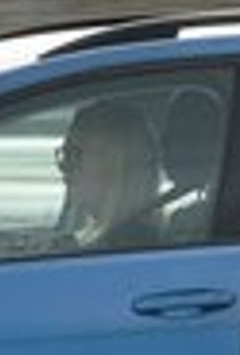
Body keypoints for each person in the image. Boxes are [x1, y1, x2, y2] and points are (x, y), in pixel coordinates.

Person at [55, 98, 164, 250]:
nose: (63, 165)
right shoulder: (101, 240)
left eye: (75, 154)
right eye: (64, 153)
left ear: (118, 165)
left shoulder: (130, 248)